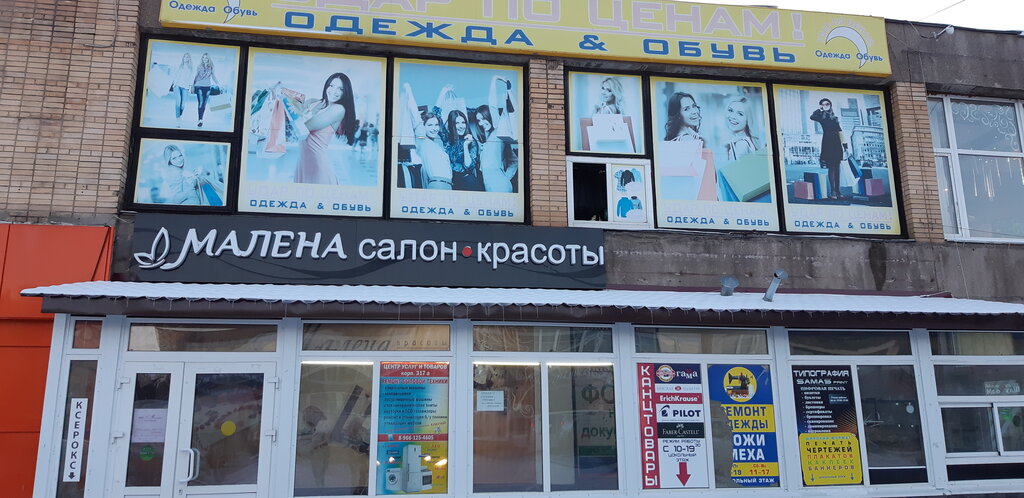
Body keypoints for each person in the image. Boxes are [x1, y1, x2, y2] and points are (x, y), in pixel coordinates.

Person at [294, 72, 357, 185]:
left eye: (340, 89)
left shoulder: (338, 109)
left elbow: (304, 126)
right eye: (331, 86)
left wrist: (307, 110)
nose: (334, 91)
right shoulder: (315, 102)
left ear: (345, 93)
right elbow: (293, 116)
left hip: (318, 166)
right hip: (302, 163)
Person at [472, 75, 518, 193]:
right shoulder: (488, 139)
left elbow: (492, 105)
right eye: (478, 120)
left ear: (489, 116)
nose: (481, 123)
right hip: (490, 182)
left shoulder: (498, 130)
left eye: (483, 118)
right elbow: (514, 160)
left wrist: (494, 79)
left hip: (498, 183)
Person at [402, 82, 453, 189]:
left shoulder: (438, 144)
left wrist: (443, 91)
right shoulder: (422, 139)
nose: (434, 128)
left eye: (436, 125)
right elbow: (415, 116)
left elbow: (436, 113)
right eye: (429, 125)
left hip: (448, 185)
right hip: (438, 185)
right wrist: (409, 91)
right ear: (423, 127)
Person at [153, 144, 225, 206]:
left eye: (180, 155)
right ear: (169, 161)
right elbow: (176, 200)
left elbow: (187, 187)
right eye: (174, 158)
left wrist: (195, 178)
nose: (179, 159)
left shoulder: (180, 171)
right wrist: (191, 185)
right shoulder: (175, 173)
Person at [810, 97, 848, 199]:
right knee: (831, 167)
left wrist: (845, 146)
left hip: (837, 142)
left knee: (837, 168)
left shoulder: (835, 118)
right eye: (823, 104)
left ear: (830, 105)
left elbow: (840, 131)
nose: (825, 106)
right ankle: (833, 191)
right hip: (827, 142)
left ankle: (838, 191)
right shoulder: (821, 117)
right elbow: (812, 117)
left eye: (827, 104)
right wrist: (819, 109)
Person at [441, 109, 483, 191]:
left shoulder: (471, 142)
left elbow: (468, 167)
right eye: (457, 123)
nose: (461, 126)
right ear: (452, 124)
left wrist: (465, 146)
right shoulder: (448, 139)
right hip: (454, 184)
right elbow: (436, 117)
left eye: (463, 122)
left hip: (469, 183)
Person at [723, 96, 760, 161]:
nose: (733, 116)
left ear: (748, 119)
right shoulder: (744, 141)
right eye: (730, 110)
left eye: (740, 114)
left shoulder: (741, 144)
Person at [192, 53, 220, 128]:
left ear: (208, 59)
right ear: (202, 59)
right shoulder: (199, 66)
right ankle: (199, 120)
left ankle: (201, 119)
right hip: (199, 85)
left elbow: (213, 76)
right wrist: (193, 85)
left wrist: (218, 84)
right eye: (203, 57)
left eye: (206, 58)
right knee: (200, 103)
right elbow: (196, 76)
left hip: (207, 87)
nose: (204, 59)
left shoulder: (211, 67)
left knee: (204, 104)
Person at [170, 53, 193, 128]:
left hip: (185, 87)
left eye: (187, 57)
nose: (186, 58)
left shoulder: (191, 68)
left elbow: (191, 79)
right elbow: (175, 75)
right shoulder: (180, 66)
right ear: (183, 58)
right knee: (178, 102)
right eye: (184, 57)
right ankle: (178, 119)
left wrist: (190, 88)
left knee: (182, 105)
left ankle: (179, 115)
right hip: (177, 86)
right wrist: (174, 84)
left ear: (189, 59)